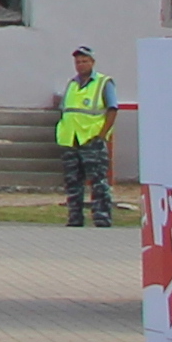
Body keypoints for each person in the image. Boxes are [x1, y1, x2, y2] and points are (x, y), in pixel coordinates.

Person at [50, 48, 116, 226]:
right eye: (78, 62)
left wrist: (102, 136)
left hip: (91, 139)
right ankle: (75, 218)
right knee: (73, 182)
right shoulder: (72, 84)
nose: (81, 65)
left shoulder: (103, 83)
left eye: (85, 61)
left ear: (92, 62)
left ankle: (102, 218)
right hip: (70, 139)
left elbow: (112, 110)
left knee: (98, 182)